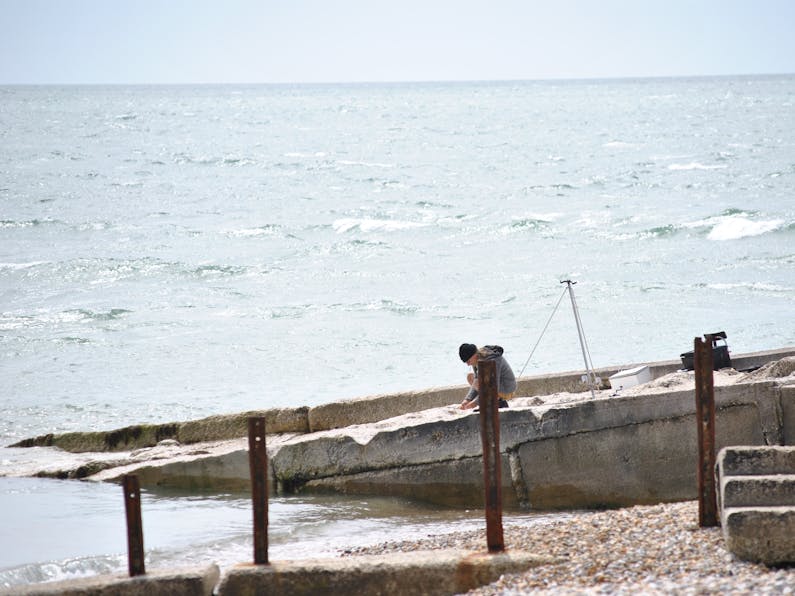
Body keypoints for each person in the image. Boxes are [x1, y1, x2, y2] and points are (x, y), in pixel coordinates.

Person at [458, 343, 516, 410]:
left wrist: (473, 404)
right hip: (494, 386)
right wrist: (467, 400)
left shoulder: (491, 360)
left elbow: (492, 388)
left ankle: (499, 402)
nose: (468, 364)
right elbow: (477, 380)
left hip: (507, 389)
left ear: (474, 355)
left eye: (468, 361)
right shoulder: (476, 360)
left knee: (480, 383)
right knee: (470, 377)